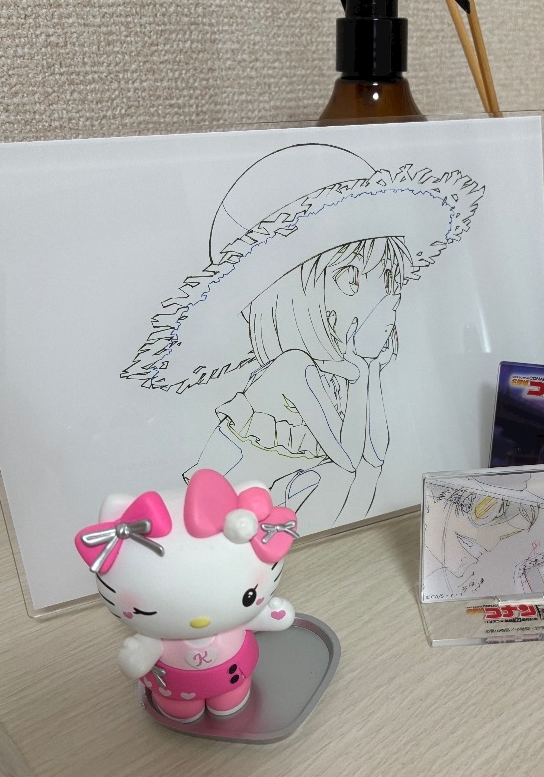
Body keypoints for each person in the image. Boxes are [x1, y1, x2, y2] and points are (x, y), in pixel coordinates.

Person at [122, 143, 484, 528]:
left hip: (275, 522)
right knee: (339, 480)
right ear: (348, 279)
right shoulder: (292, 368)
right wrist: (361, 373)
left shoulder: (336, 373)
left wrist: (370, 371)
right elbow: (347, 459)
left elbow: (375, 455)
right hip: (219, 527)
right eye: (388, 285)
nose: (394, 307)